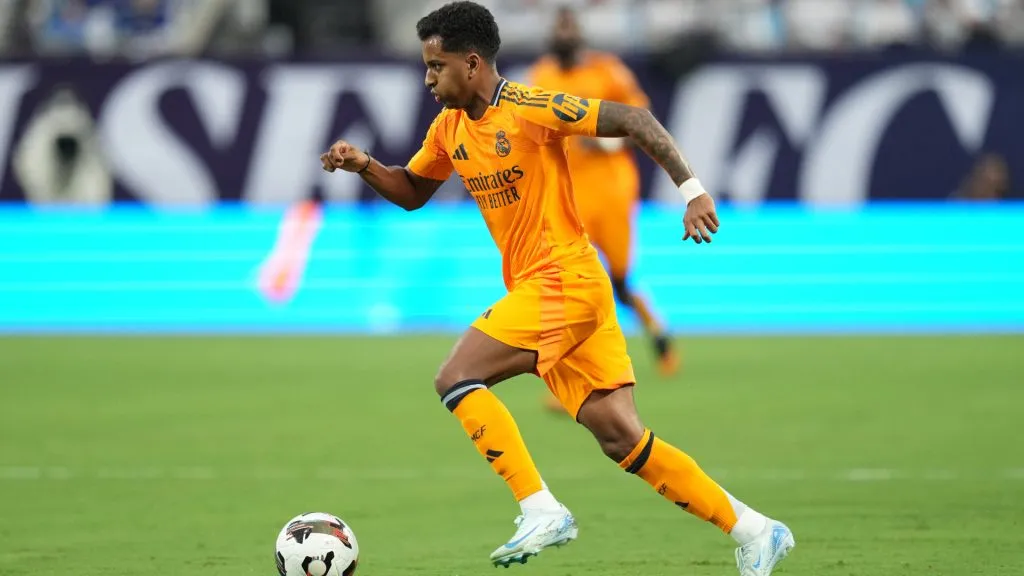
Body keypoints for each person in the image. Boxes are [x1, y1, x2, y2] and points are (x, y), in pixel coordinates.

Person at [319, 3, 795, 575]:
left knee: (455, 376)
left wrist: (692, 192)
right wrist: (364, 165)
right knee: (623, 439)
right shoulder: (449, 128)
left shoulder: (530, 106)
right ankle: (756, 530)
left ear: (472, 64)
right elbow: (413, 190)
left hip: (563, 279)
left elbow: (635, 120)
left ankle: (540, 508)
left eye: (436, 66)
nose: (428, 79)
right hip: (559, 290)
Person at [527, 7, 679, 415]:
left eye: (568, 28)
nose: (563, 36)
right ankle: (576, 378)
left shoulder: (607, 71)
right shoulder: (542, 74)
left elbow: (641, 122)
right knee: (571, 281)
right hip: (568, 194)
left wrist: (605, 142)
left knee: (619, 281)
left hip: (611, 191)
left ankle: (658, 334)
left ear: (579, 34)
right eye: (558, 29)